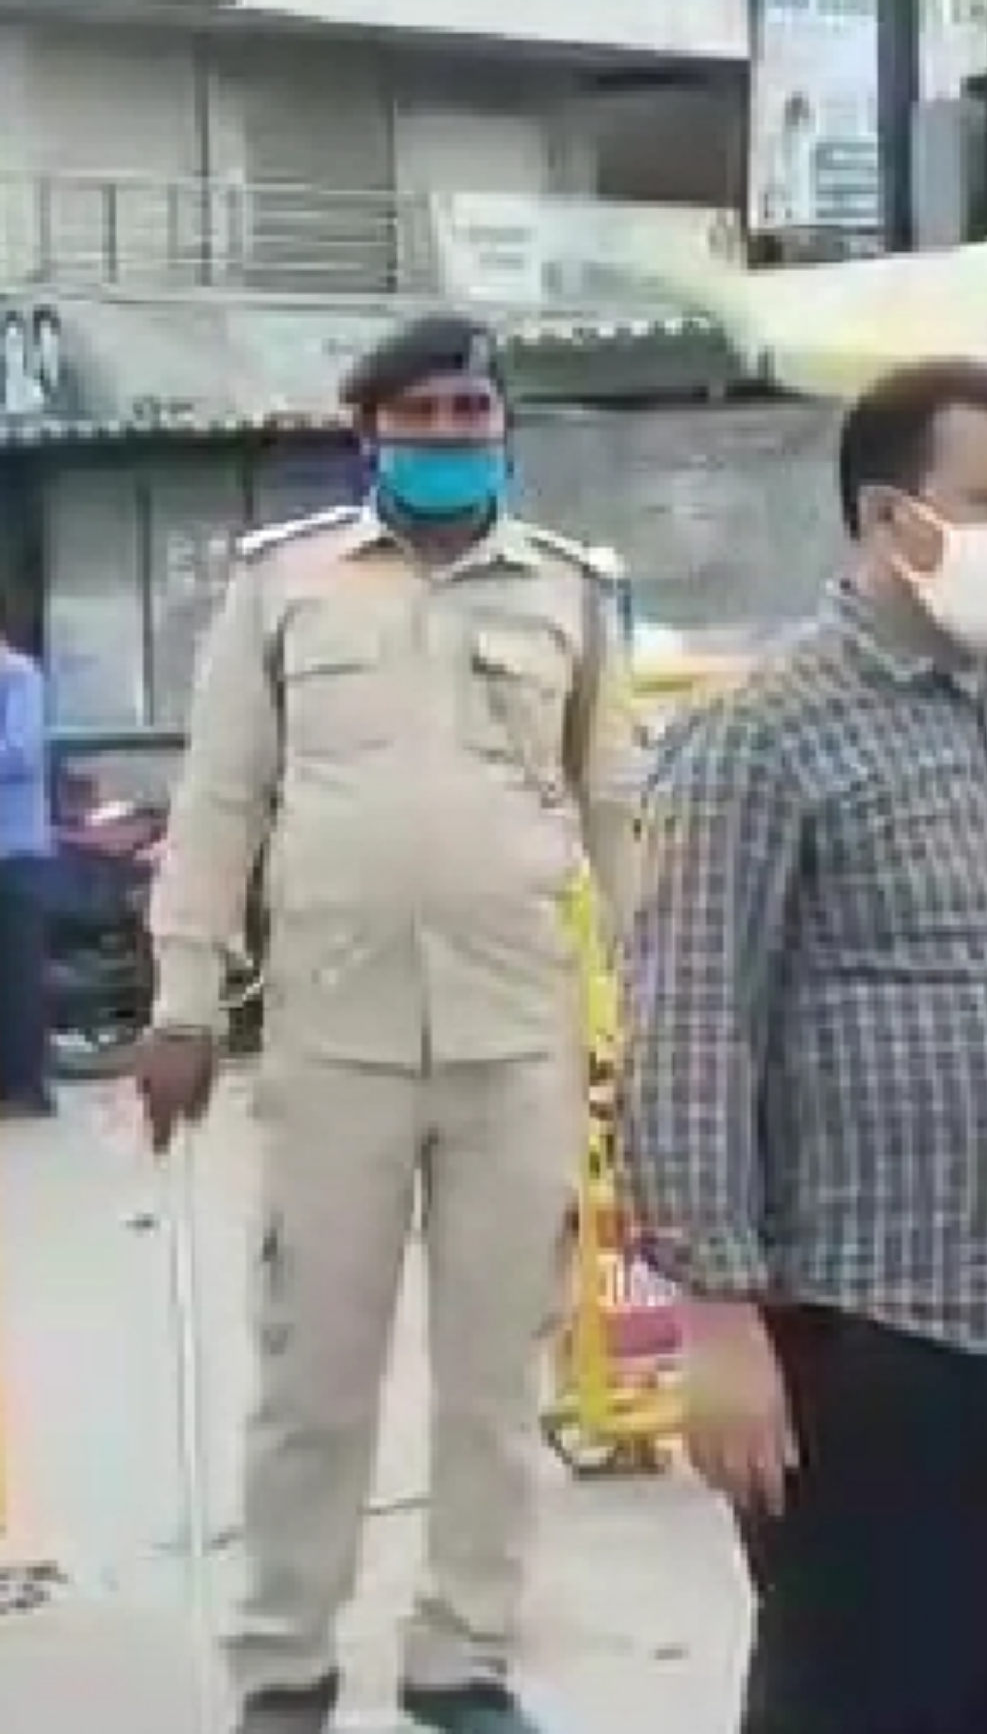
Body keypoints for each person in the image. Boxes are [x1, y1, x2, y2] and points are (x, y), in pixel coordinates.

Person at [137, 314, 636, 1734]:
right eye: (421, 415)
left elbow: (616, 810)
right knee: (316, 1377)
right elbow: (221, 802)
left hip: (517, 1038)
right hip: (334, 1038)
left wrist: (661, 1014)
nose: (450, 435)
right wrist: (182, 1002)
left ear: (503, 428)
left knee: (494, 1380)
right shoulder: (284, 587)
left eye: (473, 411)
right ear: (370, 434)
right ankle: (284, 1662)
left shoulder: (571, 594)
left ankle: (459, 1660)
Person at [626, 357, 987, 1734]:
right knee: (860, 1695)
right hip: (870, 1328)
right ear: (888, 518)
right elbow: (688, 1030)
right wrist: (718, 1320)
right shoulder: (762, 734)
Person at [0, 610, 52, 1119]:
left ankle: (26, 1086)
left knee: (17, 971)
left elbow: (20, 753)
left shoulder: (19, 676)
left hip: (16, 849)